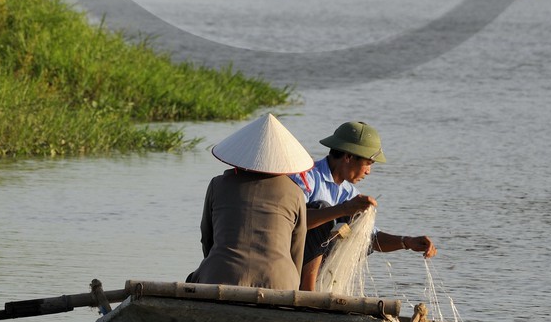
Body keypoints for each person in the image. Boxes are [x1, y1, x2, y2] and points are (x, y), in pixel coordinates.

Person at [293, 120, 437, 290]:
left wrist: (406, 242)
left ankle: (323, 285)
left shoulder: (349, 193)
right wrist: (343, 209)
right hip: (292, 257)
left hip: (320, 265)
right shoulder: (306, 178)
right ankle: (308, 291)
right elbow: (293, 221)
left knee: (358, 226)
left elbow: (372, 239)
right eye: (368, 163)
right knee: (322, 208)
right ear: (348, 157)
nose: (368, 171)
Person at [187, 112, 312, 292]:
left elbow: (207, 238)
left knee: (193, 278)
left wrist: (218, 264)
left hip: (220, 276)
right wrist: (292, 284)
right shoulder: (295, 193)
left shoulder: (218, 185)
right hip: (278, 281)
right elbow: (297, 249)